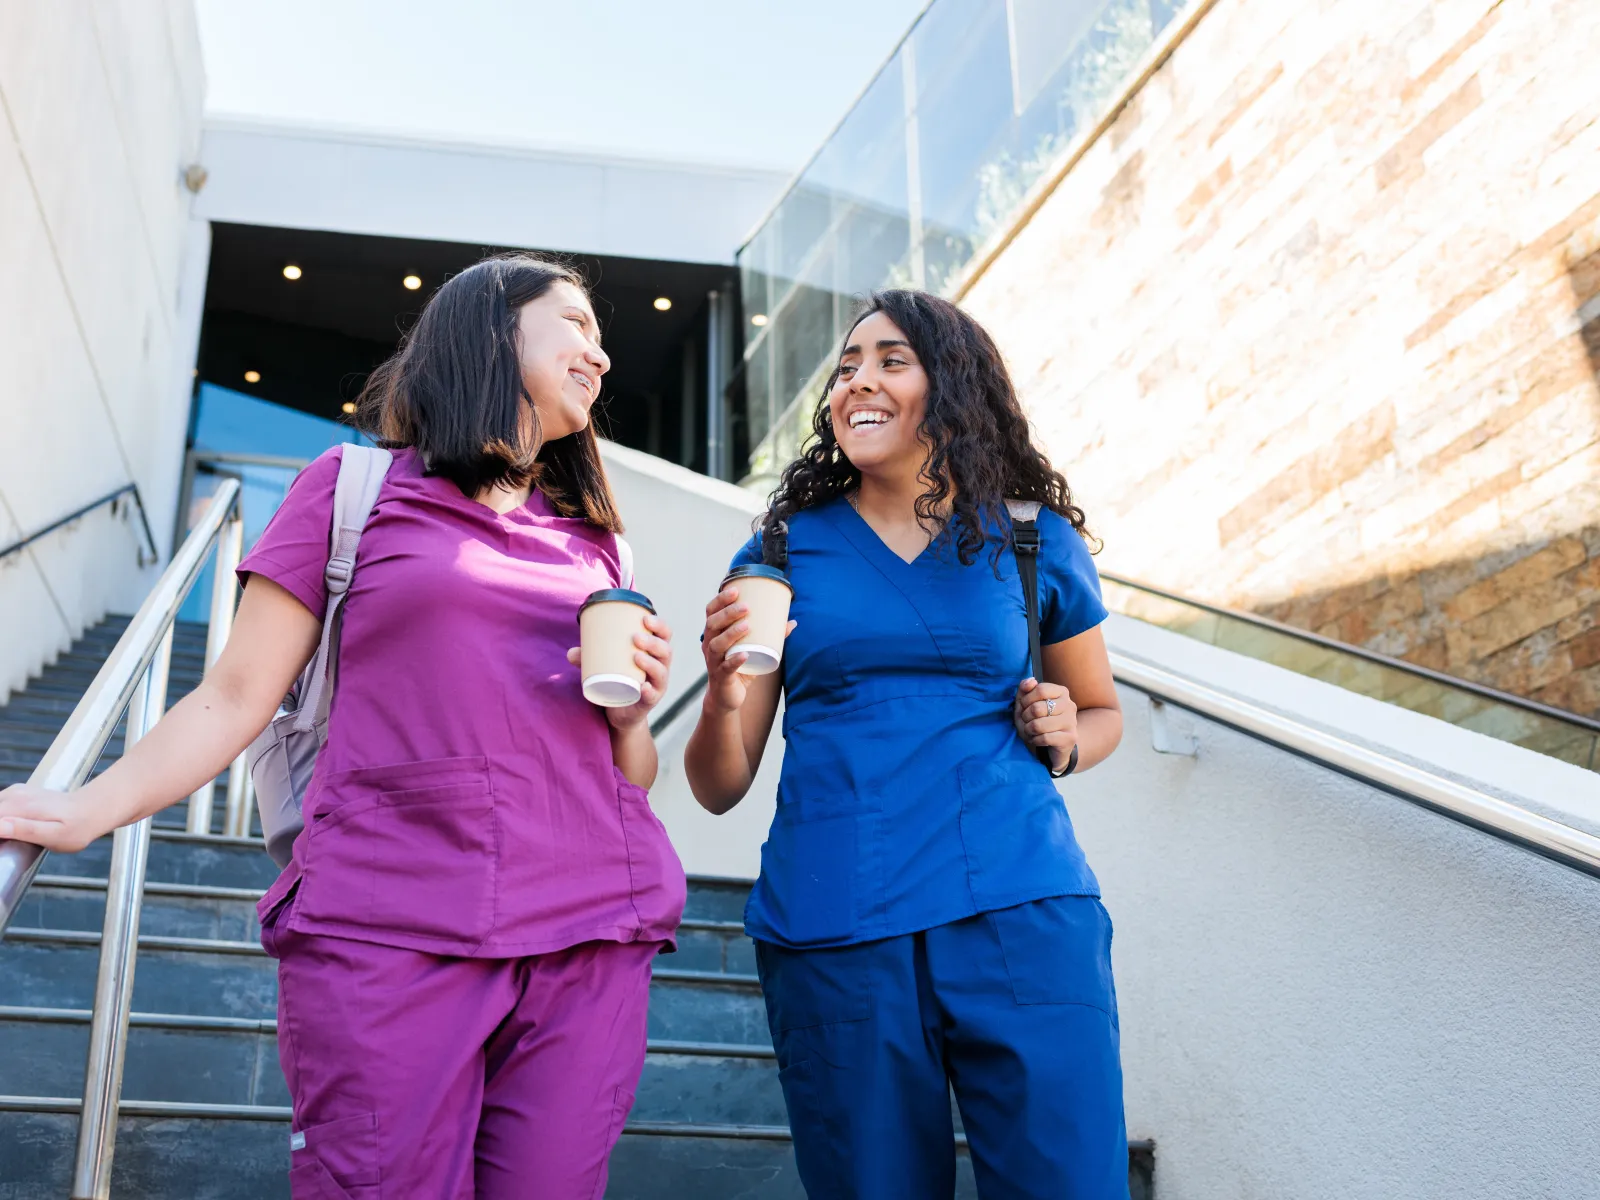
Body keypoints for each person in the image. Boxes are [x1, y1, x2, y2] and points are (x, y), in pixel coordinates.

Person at [0, 254, 686, 1198]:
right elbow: (235, 696)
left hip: (589, 922)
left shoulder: (599, 541)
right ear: (492, 327)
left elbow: (629, 771)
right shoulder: (352, 490)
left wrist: (636, 716)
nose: (600, 357)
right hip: (389, 917)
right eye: (576, 324)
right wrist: (87, 808)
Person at [684, 290, 1128, 1198]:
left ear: (952, 384)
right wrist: (724, 689)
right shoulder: (781, 549)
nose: (858, 382)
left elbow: (1100, 711)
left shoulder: (1033, 539)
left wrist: (1068, 736)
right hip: (833, 922)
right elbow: (719, 784)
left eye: (890, 360)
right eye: (846, 367)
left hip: (1019, 907)